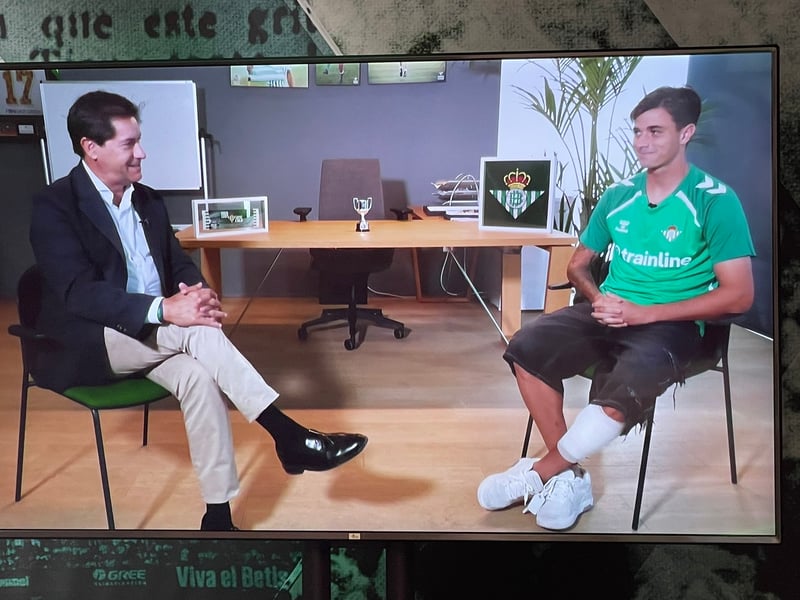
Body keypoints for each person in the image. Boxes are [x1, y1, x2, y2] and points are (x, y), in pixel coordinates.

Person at [29, 90, 367, 531]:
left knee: (197, 376)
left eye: (139, 140)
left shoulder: (147, 200)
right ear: (91, 148)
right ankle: (288, 436)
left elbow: (178, 263)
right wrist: (166, 309)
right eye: (129, 143)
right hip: (94, 340)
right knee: (196, 332)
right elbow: (78, 294)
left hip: (151, 338)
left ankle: (218, 516)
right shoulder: (55, 206)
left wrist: (197, 292)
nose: (142, 153)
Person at [477, 86, 755, 530]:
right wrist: (598, 298)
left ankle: (541, 472)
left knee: (626, 386)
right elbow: (577, 266)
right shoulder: (619, 195)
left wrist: (646, 314)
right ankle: (569, 478)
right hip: (610, 313)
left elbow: (739, 295)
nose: (642, 142)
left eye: (655, 131)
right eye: (638, 132)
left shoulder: (715, 200)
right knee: (526, 346)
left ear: (686, 133)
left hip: (675, 324)